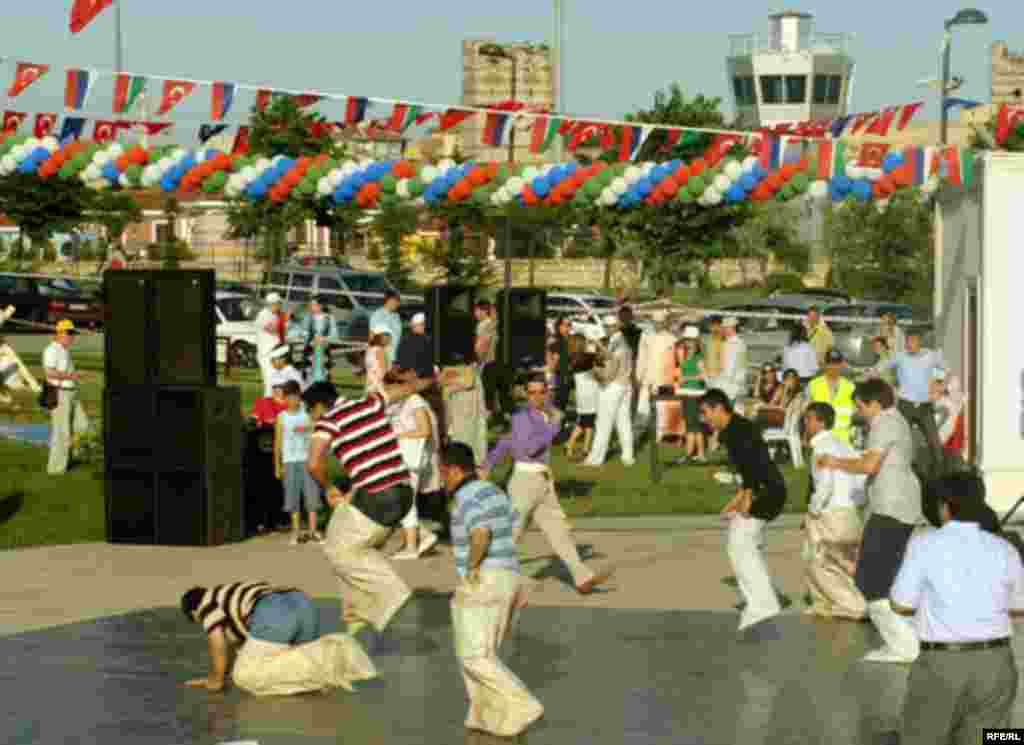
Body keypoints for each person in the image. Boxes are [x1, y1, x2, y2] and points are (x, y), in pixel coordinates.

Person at [892, 472, 1024, 745]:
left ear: (944, 507)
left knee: (922, 738)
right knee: (996, 738)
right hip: (996, 664)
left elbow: (901, 604)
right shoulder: (1005, 549)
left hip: (941, 665)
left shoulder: (924, 544)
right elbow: (1020, 607)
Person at [304, 377, 433, 651]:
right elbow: (405, 389)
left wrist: (329, 488)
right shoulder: (370, 403)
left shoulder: (328, 421)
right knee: (344, 538)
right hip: (403, 494)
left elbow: (313, 463)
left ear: (318, 406)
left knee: (338, 550)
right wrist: (435, 379)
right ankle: (357, 617)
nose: (310, 418)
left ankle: (394, 594)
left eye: (309, 411)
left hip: (377, 497)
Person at [442, 441, 545, 737]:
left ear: (453, 470)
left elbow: (481, 533)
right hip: (507, 576)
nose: (442, 480)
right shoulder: (494, 491)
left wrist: (472, 566)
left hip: (484, 577)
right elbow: (511, 527)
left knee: (473, 656)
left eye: (442, 473)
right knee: (484, 653)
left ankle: (523, 704)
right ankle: (486, 715)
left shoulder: (465, 495)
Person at [816, 379, 921, 663]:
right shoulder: (895, 420)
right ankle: (905, 640)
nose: (857, 412)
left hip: (891, 507)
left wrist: (835, 462)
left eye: (859, 406)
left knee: (870, 579)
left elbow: (869, 465)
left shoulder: (884, 423)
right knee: (884, 577)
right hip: (898, 505)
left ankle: (903, 645)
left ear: (874, 404)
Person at [482, 374, 613, 595]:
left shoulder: (544, 415)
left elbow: (506, 440)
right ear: (525, 394)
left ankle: (582, 577)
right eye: (532, 393)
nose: (537, 397)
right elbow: (530, 449)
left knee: (558, 531)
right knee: (513, 533)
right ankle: (486, 578)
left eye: (542, 392)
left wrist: (488, 463)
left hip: (542, 480)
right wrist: (553, 426)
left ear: (548, 393)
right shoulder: (523, 418)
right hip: (524, 481)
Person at [180, 581, 375, 696]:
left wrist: (215, 679)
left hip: (272, 611)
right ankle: (327, 658)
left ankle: (331, 654)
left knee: (244, 675)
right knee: (289, 655)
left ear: (194, 612)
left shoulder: (206, 604)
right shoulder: (230, 594)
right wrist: (224, 670)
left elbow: (218, 642)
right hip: (300, 602)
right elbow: (241, 644)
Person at [700, 389, 787, 633]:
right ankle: (761, 601)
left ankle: (764, 604)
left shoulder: (739, 431)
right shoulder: (734, 429)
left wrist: (748, 497)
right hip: (765, 489)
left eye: (705, 412)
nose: (704, 419)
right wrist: (737, 500)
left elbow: (752, 465)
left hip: (767, 491)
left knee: (741, 543)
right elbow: (750, 466)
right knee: (741, 543)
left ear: (719, 408)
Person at [802, 402, 868, 620]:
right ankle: (825, 603)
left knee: (817, 559)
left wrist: (813, 509)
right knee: (842, 562)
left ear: (821, 422)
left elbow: (825, 483)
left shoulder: (822, 447)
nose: (805, 423)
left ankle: (852, 605)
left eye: (809, 419)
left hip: (831, 512)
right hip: (850, 511)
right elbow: (860, 478)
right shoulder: (843, 444)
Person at [873, 329, 946, 476]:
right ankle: (901, 472)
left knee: (934, 442)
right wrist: (873, 375)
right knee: (901, 440)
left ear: (919, 342)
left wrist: (940, 388)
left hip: (924, 406)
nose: (908, 344)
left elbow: (947, 370)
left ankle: (939, 475)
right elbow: (880, 368)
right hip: (905, 405)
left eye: (911, 341)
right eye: (907, 341)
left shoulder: (930, 356)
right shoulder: (900, 356)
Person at [387, 385, 441, 560]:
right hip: (399, 456)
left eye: (389, 388)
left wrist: (398, 435)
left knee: (405, 500)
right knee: (398, 500)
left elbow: (424, 430)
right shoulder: (396, 403)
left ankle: (411, 546)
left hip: (409, 457)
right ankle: (422, 536)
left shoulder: (415, 401)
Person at [274, 381, 323, 546]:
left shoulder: (307, 414)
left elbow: (315, 433)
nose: (292, 400)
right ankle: (296, 532)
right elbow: (278, 443)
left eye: (295, 396)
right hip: (289, 461)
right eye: (288, 397)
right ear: (284, 398)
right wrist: (277, 465)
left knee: (311, 495)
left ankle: (313, 531)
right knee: (292, 497)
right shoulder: (281, 417)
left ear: (299, 396)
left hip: (307, 459)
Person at [583, 315, 635, 467]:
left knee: (603, 423)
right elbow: (612, 358)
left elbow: (612, 365)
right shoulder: (620, 341)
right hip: (624, 385)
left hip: (614, 386)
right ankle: (628, 456)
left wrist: (598, 374)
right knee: (623, 423)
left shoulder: (617, 342)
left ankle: (595, 458)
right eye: (606, 326)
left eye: (609, 326)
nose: (607, 329)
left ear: (615, 326)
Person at [43, 319, 90, 475]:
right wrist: (73, 375)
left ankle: (70, 455)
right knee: (61, 432)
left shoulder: (64, 350)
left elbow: (65, 372)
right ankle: (56, 469)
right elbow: (49, 372)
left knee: (82, 426)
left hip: (71, 393)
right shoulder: (52, 350)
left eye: (72, 333)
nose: (72, 336)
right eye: (69, 333)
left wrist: (76, 376)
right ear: (60, 333)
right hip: (59, 393)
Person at [635, 310, 678, 429]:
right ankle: (639, 433)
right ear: (652, 322)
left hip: (665, 380)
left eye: (660, 322)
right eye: (656, 322)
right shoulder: (646, 337)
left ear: (665, 322)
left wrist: (673, 381)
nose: (658, 324)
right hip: (647, 378)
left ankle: (661, 434)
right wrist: (639, 376)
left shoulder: (672, 339)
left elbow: (674, 362)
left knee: (663, 412)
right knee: (642, 411)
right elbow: (641, 357)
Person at [442, 362, 489, 466]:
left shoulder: (468, 369)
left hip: (466, 409)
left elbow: (469, 382)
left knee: (468, 438)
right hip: (458, 409)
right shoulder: (450, 369)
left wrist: (449, 385)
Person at [807, 349, 856, 445]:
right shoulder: (813, 385)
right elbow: (805, 415)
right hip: (819, 441)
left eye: (836, 364)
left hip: (843, 441)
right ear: (824, 364)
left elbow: (858, 414)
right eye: (830, 363)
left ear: (842, 365)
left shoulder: (850, 387)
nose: (833, 367)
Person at [675, 327, 708, 464]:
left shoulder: (698, 357)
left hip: (695, 393)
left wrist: (687, 378)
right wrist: (681, 379)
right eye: (687, 340)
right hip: (686, 392)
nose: (688, 342)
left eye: (690, 340)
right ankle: (697, 454)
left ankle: (693, 454)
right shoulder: (685, 355)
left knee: (693, 425)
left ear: (695, 341)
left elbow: (703, 376)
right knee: (692, 425)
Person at [294, 296, 338, 386]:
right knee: (308, 373)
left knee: (323, 374)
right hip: (310, 350)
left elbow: (335, 335)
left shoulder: (329, 318)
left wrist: (324, 338)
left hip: (323, 351)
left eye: (313, 305)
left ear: (320, 305)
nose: (311, 307)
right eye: (311, 305)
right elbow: (302, 331)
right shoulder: (308, 317)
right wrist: (308, 337)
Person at [564, 351, 598, 461]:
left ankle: (570, 444)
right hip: (590, 401)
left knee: (582, 424)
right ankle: (585, 449)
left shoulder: (576, 372)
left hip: (582, 401)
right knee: (589, 424)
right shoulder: (591, 372)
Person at [705, 317, 748, 402]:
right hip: (725, 383)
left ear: (731, 328)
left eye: (725, 328)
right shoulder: (729, 343)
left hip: (731, 385)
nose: (723, 330)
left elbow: (735, 367)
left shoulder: (736, 344)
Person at [256, 293, 288, 397]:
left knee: (277, 379)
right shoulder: (263, 315)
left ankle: (273, 400)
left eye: (280, 304)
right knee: (269, 379)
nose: (279, 306)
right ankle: (268, 400)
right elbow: (271, 329)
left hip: (276, 352)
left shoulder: (277, 315)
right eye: (278, 304)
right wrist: (284, 323)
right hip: (266, 353)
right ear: (271, 304)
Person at [395, 312, 435, 381]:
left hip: (420, 375)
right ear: (414, 326)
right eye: (422, 324)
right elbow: (406, 362)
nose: (424, 327)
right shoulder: (409, 340)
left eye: (424, 324)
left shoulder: (423, 338)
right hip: (416, 377)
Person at [368, 290, 402, 365]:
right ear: (390, 300)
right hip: (381, 357)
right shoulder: (377, 315)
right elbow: (372, 337)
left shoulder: (396, 317)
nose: (399, 304)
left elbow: (397, 337)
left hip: (394, 358)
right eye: (397, 301)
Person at [364, 328, 390, 395]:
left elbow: (383, 367)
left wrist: (376, 380)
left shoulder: (378, 349)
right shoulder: (369, 349)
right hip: (371, 377)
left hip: (375, 378)